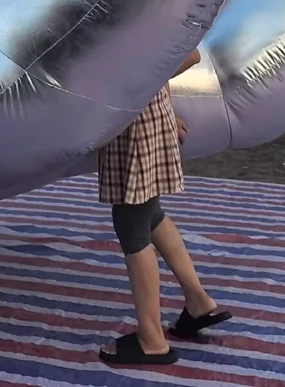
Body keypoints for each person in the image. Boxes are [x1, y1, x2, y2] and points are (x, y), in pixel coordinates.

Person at [98, 49, 231, 367]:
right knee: (150, 213)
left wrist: (128, 83)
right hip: (145, 113)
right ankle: (198, 302)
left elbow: (186, 55)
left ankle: (152, 340)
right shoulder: (140, 1)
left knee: (130, 222)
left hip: (136, 120)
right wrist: (166, 109)